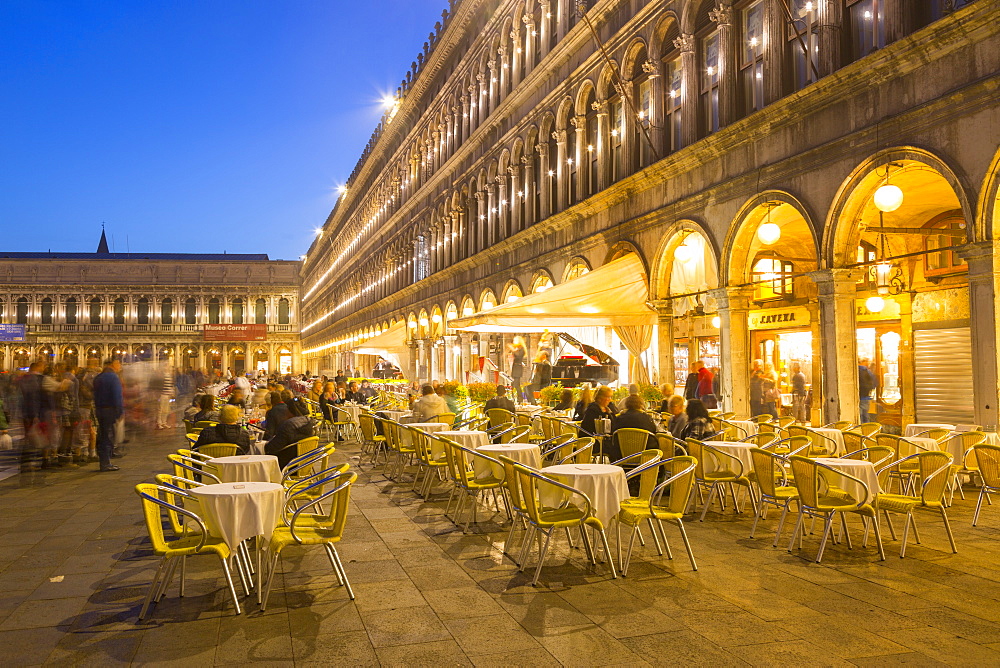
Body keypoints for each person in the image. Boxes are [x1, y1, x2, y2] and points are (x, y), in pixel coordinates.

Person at [265, 398, 315, 468]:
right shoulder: (309, 423)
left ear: (288, 411)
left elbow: (271, 448)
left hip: (288, 465)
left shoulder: (288, 426)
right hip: (305, 462)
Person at [93, 359, 123, 472]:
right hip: (110, 409)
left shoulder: (99, 377)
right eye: (118, 363)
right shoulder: (113, 377)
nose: (120, 365)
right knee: (108, 436)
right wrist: (120, 411)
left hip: (100, 409)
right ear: (113, 365)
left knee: (102, 435)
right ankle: (106, 462)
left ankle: (104, 459)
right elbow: (117, 396)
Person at [581, 386, 617, 459]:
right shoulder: (592, 410)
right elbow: (591, 428)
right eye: (608, 397)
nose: (609, 400)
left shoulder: (607, 409)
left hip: (604, 439)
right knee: (617, 447)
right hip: (593, 441)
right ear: (600, 398)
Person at [508, 336, 527, 403]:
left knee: (516, 384)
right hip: (515, 367)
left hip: (518, 368)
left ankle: (520, 398)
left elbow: (518, 356)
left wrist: (513, 349)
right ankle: (513, 398)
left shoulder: (522, 349)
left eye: (515, 340)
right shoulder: (517, 348)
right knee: (513, 384)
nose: (514, 342)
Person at [858, 358, 876, 424]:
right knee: (865, 415)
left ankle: (859, 430)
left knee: (860, 415)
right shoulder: (866, 371)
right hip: (866, 396)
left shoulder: (856, 370)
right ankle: (866, 430)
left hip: (859, 396)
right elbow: (874, 381)